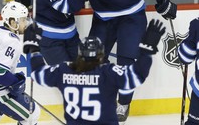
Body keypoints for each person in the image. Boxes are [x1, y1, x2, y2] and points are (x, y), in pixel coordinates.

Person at [25, 0, 177, 123]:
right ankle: (103, 99)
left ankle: (123, 102)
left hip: (130, 18)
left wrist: (162, 2)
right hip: (103, 18)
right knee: (90, 62)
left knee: (126, 62)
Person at [23, 18, 166, 125]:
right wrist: (146, 52)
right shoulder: (108, 73)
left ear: (80, 53)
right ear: (101, 55)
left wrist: (34, 49)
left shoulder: (64, 71)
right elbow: (136, 76)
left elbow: (38, 74)